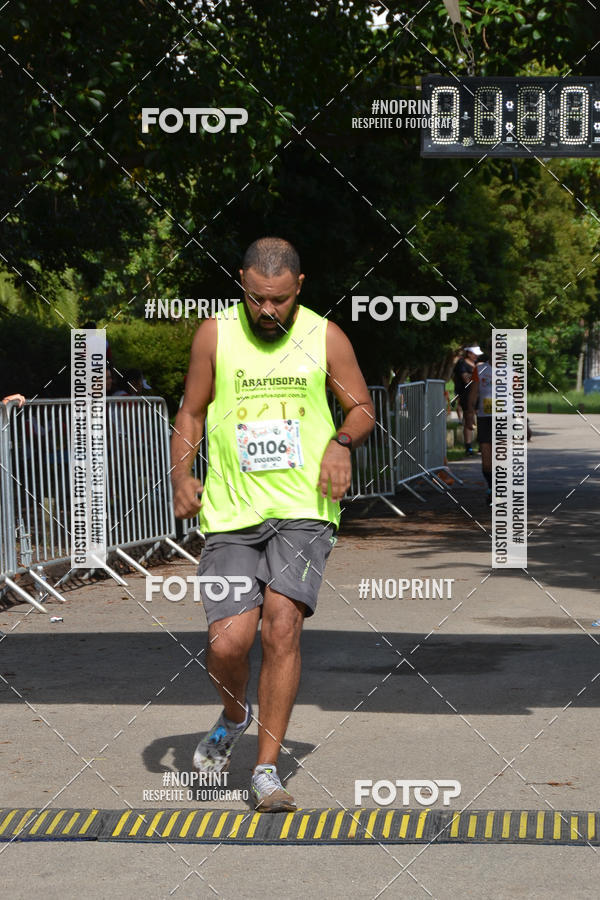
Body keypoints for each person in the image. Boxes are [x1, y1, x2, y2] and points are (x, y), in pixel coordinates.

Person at [171, 236, 375, 812]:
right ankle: (235, 715)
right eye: (258, 299)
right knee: (228, 642)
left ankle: (266, 771)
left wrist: (340, 443)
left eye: (279, 301)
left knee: (281, 628)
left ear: (299, 289)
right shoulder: (215, 334)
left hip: (303, 510)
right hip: (232, 511)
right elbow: (191, 409)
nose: (268, 311)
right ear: (241, 282)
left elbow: (361, 407)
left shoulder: (324, 335)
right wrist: (181, 473)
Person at [467, 349, 493, 505]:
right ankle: (491, 487)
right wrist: (469, 414)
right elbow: (473, 393)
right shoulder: (480, 369)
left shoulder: (512, 371)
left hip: (505, 418)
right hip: (485, 418)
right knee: (486, 460)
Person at [453, 346, 481, 455]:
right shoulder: (462, 364)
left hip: (479, 395)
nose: (477, 356)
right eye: (475, 353)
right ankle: (468, 446)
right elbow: (466, 379)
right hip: (466, 395)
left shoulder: (477, 364)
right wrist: (476, 373)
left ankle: (481, 445)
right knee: (468, 419)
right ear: (469, 353)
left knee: (481, 419)